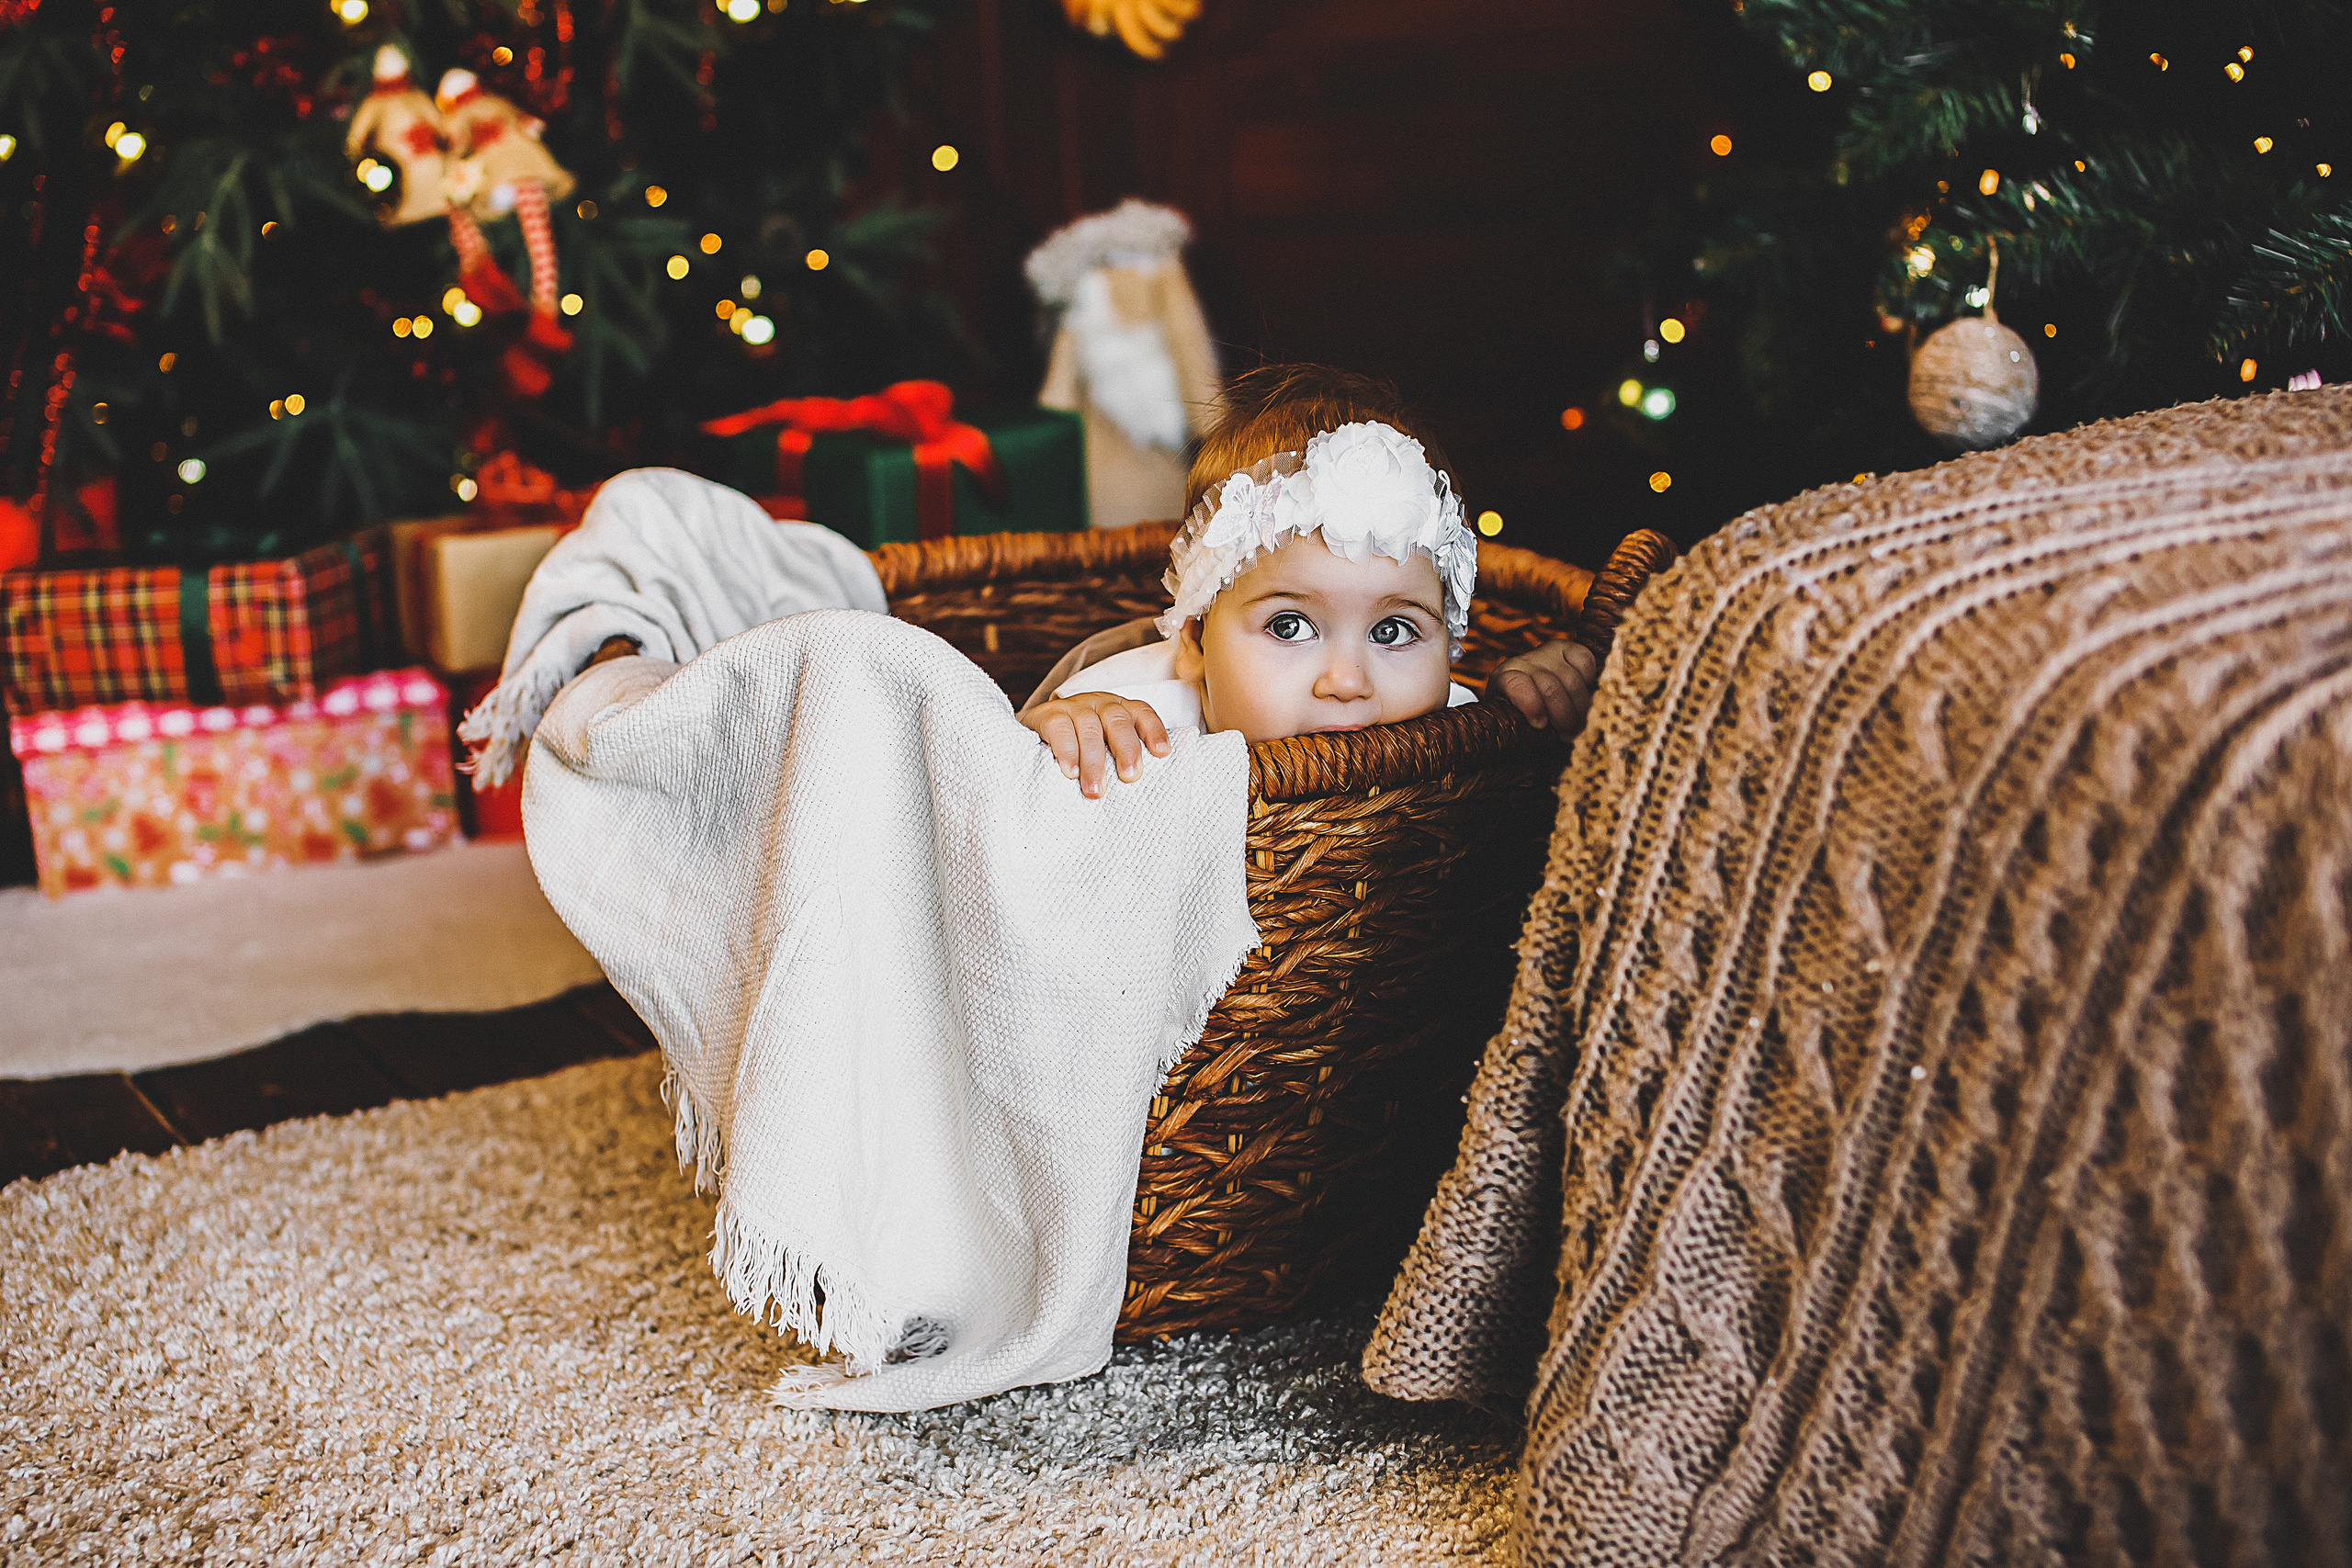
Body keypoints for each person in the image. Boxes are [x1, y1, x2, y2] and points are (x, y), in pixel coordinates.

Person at [1015, 364, 1601, 796]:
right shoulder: (1145, 718)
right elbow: (1007, 797)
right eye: (1289, 625)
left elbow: (1542, 806)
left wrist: (1535, 703)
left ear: (1449, 642)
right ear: (1194, 641)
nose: (1346, 683)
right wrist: (1060, 734)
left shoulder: (1449, 730)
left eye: (1394, 631)